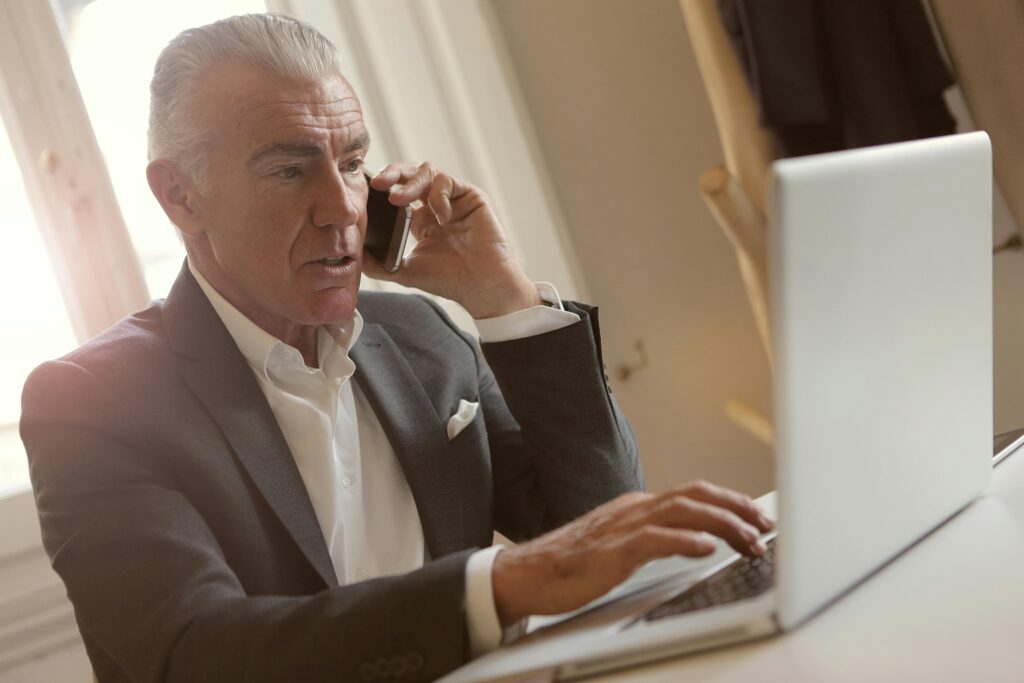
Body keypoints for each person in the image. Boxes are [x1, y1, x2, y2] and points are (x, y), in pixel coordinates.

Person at [20, 14, 773, 683]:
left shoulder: (422, 338)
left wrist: (501, 298)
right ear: (180, 196)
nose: (342, 206)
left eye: (350, 161)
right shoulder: (91, 403)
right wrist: (496, 583)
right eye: (289, 168)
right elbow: (197, 651)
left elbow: (606, 523)